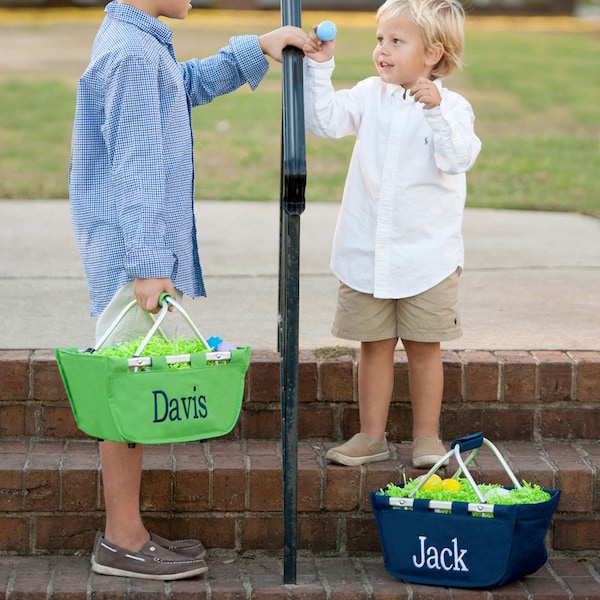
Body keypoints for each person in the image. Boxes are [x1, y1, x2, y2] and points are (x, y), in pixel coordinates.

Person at [69, 0, 307, 581]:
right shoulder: (129, 54)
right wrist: (151, 262)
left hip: (137, 253)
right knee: (124, 391)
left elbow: (184, 84)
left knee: (134, 381)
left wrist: (257, 49)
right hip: (134, 258)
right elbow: (137, 162)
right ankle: (121, 540)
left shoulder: (141, 44)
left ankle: (131, 532)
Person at [303, 0, 481, 469]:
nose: (382, 50)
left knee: (425, 348)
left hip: (427, 259)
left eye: (396, 41)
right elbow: (323, 121)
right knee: (374, 346)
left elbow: (457, 158)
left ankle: (426, 436)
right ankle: (371, 435)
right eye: (380, 40)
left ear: (432, 53)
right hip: (367, 253)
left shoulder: (455, 108)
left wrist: (437, 111)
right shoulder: (368, 94)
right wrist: (321, 69)